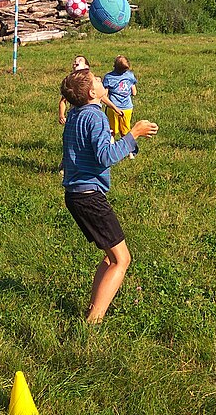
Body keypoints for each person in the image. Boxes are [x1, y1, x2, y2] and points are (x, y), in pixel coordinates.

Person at [60, 69, 158, 324]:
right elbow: (106, 157)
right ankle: (93, 321)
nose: (102, 81)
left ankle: (94, 309)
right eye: (97, 80)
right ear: (93, 93)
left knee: (111, 256)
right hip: (89, 197)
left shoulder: (76, 114)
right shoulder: (95, 118)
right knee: (122, 259)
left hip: (75, 195)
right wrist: (133, 134)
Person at [57, 55, 124, 124]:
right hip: (75, 115)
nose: (75, 63)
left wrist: (115, 108)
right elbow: (63, 101)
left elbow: (103, 97)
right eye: (74, 62)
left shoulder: (92, 81)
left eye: (79, 61)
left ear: (87, 67)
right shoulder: (71, 83)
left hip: (88, 115)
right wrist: (61, 115)